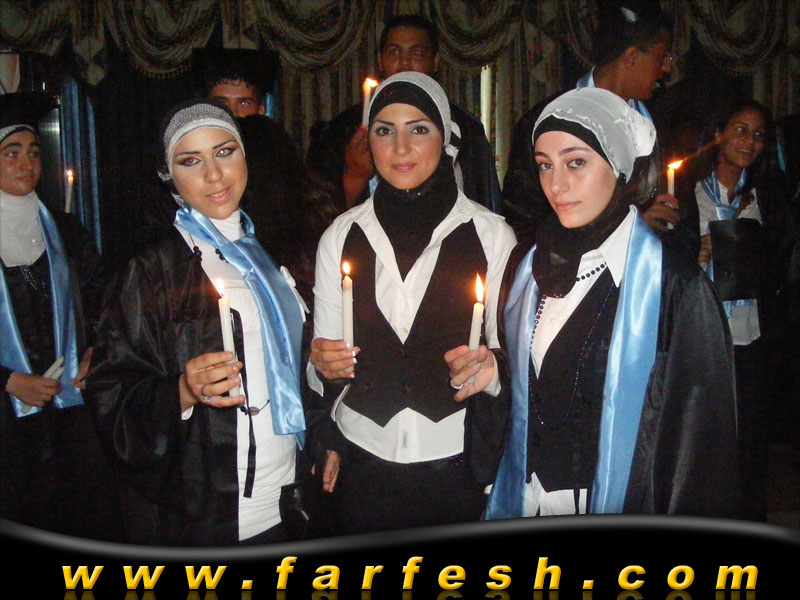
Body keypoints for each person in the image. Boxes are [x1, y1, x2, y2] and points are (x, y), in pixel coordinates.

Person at [447, 87, 741, 519]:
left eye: (576, 162)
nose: (556, 184)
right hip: (528, 502)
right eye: (545, 165)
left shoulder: (674, 289)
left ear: (619, 166)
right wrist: (497, 375)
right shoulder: (528, 266)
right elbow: (542, 388)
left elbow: (699, 447)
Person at [86, 99, 307, 545]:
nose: (214, 175)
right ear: (169, 175)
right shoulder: (151, 270)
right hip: (210, 507)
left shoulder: (272, 248)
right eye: (191, 161)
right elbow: (112, 396)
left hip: (289, 491)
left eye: (224, 152)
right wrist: (183, 390)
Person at [307, 72, 516, 535]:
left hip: (457, 465)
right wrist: (322, 365)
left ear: (446, 138)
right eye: (385, 130)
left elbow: (513, 362)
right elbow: (321, 363)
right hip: (362, 464)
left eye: (418, 129)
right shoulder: (339, 236)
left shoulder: (493, 236)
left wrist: (492, 368)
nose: (400, 148)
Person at [0, 92, 122, 540]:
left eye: (34, 152)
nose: (26, 163)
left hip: (68, 404)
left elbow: (103, 298)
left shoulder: (65, 231)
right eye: (11, 152)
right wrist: (9, 381)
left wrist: (92, 352)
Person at [677, 98, 796, 521]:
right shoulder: (687, 193)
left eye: (758, 135)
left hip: (752, 336)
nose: (749, 142)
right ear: (718, 134)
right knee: (702, 443)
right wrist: (692, 251)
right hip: (701, 335)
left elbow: (785, 263)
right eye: (741, 130)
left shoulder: (770, 197)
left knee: (749, 447)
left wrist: (752, 246)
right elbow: (665, 261)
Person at [502, 2, 694, 256]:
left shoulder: (662, 122)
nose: (667, 67)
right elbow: (522, 221)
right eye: (662, 56)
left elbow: (684, 210)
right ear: (631, 56)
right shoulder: (545, 122)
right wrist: (629, 229)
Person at [305, 14, 502, 215]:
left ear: (435, 61)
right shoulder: (343, 130)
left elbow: (487, 205)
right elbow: (315, 218)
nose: (405, 62)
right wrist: (354, 177)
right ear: (380, 60)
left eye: (417, 53)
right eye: (394, 52)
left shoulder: (467, 130)